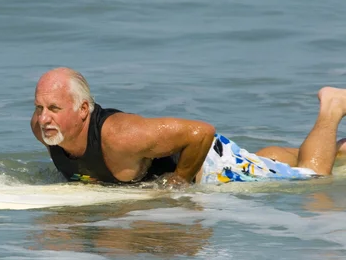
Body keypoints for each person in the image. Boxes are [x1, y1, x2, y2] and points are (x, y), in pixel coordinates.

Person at [30, 67, 346, 187]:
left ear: (84, 109)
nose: (44, 118)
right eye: (39, 107)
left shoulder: (119, 135)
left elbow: (201, 132)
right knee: (264, 162)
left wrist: (179, 181)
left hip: (210, 164)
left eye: (54, 109)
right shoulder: (43, 128)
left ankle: (332, 107)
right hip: (219, 156)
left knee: (314, 176)